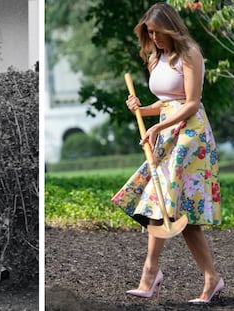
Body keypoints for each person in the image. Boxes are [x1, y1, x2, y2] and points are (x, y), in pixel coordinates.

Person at [111, 3, 223, 303]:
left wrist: (159, 129)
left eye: (158, 32)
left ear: (171, 28)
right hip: (168, 129)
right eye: (149, 32)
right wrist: (142, 109)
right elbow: (165, 102)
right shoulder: (157, 57)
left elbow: (190, 102)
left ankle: (150, 273)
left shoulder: (190, 54)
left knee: (161, 198)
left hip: (191, 135)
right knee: (176, 210)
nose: (154, 37)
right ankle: (211, 278)